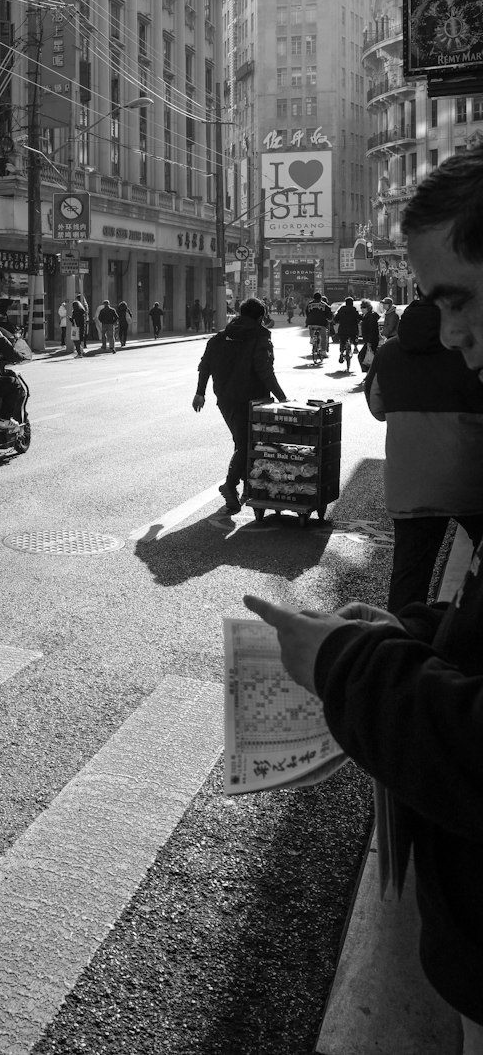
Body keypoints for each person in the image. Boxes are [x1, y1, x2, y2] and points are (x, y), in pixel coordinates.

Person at [244, 149, 483, 1050]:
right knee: (426, 586)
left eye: (455, 296)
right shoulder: (460, 371)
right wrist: (416, 633)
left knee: (418, 563)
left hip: (419, 492)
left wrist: (347, 660)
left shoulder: (396, 356)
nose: (449, 329)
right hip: (456, 494)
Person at [364, 294, 483, 610]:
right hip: (469, 477)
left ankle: (400, 646)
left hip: (410, 483)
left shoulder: (388, 353)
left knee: (409, 578)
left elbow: (377, 407)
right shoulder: (471, 349)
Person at [192, 296, 287, 513]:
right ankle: (231, 485)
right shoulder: (259, 337)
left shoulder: (220, 337)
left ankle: (245, 490)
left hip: (225, 399)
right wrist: (282, 398)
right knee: (247, 444)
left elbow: (204, 366)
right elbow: (264, 371)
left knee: (242, 442)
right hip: (252, 399)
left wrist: (200, 393)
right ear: (261, 317)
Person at [333, 295, 361, 366]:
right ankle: (355, 346)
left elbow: (336, 318)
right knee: (355, 336)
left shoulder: (342, 309)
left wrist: (335, 322)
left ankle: (342, 353)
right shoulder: (354, 309)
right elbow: (358, 317)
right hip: (352, 329)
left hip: (343, 329)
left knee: (342, 341)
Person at [304, 291, 334, 358]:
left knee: (311, 327)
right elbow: (329, 314)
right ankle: (323, 352)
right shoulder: (325, 305)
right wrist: (329, 319)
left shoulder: (309, 304)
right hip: (321, 323)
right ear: (320, 298)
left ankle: (312, 338)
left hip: (311, 323)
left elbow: (307, 313)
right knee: (323, 337)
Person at [358, 298, 380, 373]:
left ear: (368, 308)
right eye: (361, 307)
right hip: (368, 340)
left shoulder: (371, 317)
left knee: (363, 356)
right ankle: (370, 373)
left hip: (371, 340)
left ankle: (370, 373)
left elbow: (372, 330)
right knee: (367, 357)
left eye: (363, 307)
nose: (362, 309)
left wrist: (369, 342)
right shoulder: (366, 316)